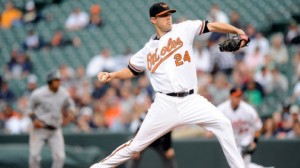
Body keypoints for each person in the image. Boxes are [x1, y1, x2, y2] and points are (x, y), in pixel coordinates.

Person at [90, 2, 249, 168]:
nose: (168, 18)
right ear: (153, 20)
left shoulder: (184, 28)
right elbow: (131, 70)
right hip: (165, 104)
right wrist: (112, 75)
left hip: (191, 100)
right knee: (135, 146)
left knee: (223, 124)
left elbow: (213, 26)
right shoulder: (147, 50)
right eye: (163, 15)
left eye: (169, 14)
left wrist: (237, 31)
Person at [26, 70, 76, 168]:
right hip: (39, 128)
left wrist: (71, 112)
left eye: (59, 80)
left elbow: (70, 105)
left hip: (55, 129)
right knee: (34, 156)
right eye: (56, 80)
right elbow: (29, 108)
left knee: (60, 157)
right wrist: (34, 119)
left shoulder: (63, 93)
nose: (58, 82)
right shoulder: (38, 93)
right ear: (50, 81)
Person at [217, 88, 272, 168]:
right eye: (236, 96)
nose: (238, 99)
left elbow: (258, 126)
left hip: (245, 138)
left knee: (238, 165)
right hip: (232, 140)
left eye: (239, 96)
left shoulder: (248, 110)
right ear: (230, 97)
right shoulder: (222, 109)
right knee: (244, 166)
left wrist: (254, 142)